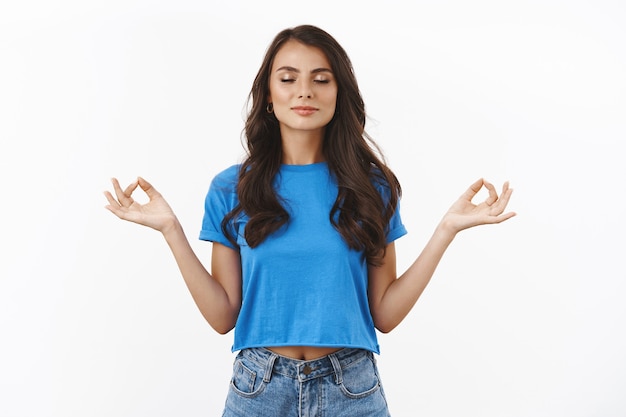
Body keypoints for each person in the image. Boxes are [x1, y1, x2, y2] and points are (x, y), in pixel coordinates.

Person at [104, 24, 515, 417]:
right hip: (259, 388)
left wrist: (447, 230)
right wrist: (171, 230)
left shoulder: (372, 187)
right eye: (288, 79)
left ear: (339, 93)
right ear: (268, 95)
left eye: (321, 79)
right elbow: (223, 316)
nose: (305, 91)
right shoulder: (232, 189)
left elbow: (385, 314)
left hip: (352, 388)